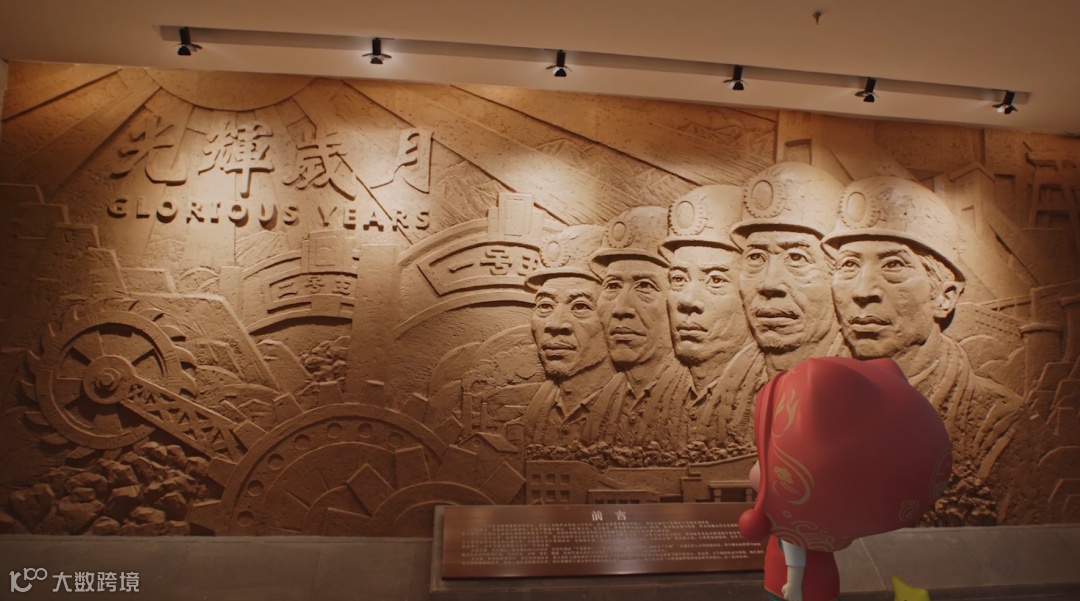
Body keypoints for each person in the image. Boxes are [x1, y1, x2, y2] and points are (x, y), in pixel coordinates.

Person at [821, 176, 1022, 480]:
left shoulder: (998, 421)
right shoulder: (818, 404)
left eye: (893, 265)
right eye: (849, 265)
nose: (862, 291)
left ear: (945, 297)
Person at [739, 357, 952, 601]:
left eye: (761, 459)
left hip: (792, 587)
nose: (754, 469)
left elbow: (795, 562)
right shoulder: (800, 524)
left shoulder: (794, 527)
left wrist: (794, 587)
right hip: (813, 582)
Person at [588, 206, 692, 452]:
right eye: (612, 286)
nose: (621, 308)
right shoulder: (604, 402)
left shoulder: (693, 397)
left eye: (644, 286)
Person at [731, 163, 848, 380]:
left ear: (836, 272)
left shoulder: (858, 384)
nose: (769, 284)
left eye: (796, 257)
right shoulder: (734, 379)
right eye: (755, 257)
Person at [659, 185, 752, 449]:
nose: (688, 301)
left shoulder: (769, 392)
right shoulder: (662, 393)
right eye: (678, 279)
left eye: (715, 280)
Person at [518, 225, 615, 446]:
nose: (555, 324)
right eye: (545, 305)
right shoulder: (538, 409)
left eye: (580, 306)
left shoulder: (629, 408)